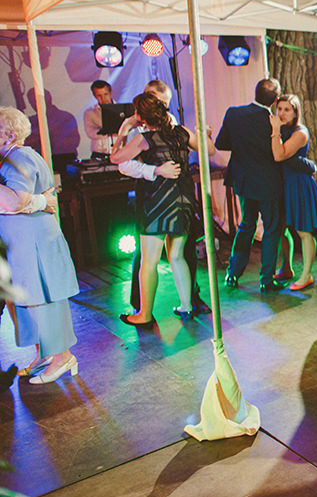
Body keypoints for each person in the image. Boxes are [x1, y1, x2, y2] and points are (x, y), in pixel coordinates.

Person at [111, 93, 207, 326]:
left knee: (149, 261)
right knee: (177, 255)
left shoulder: (144, 139)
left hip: (159, 202)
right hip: (184, 199)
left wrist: (124, 129)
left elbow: (115, 158)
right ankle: (186, 306)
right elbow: (208, 150)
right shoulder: (182, 133)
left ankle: (144, 314)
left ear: (140, 116)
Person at [0, 106, 80, 384]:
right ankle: (44, 354)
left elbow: (15, 201)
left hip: (34, 239)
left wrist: (38, 202)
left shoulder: (20, 157)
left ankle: (62, 357)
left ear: (9, 133)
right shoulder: (11, 158)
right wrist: (41, 201)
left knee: (45, 298)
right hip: (21, 240)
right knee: (29, 299)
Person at [216, 78, 287, 293]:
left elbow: (221, 143)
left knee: (246, 225)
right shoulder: (274, 122)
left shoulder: (233, 114)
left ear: (255, 92)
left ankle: (232, 273)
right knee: (271, 229)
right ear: (275, 100)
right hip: (268, 183)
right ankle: (266, 279)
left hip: (244, 181)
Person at [269, 94, 317, 291]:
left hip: (298, 184)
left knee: (304, 231)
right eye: (279, 109)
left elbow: (279, 155)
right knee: (282, 229)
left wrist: (275, 131)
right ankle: (286, 268)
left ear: (295, 113)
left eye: (287, 110)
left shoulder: (300, 132)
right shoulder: (284, 131)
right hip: (284, 184)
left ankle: (306, 275)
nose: (282, 113)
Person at [83, 79, 115, 159]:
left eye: (105, 94)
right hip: (99, 153)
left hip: (119, 152)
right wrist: (107, 131)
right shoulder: (90, 112)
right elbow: (90, 132)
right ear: (94, 96)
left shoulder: (124, 110)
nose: (103, 98)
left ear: (111, 92)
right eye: (99, 95)